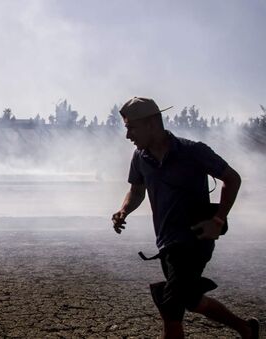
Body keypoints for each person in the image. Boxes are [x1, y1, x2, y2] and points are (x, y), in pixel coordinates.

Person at [111, 97, 259, 339]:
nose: (128, 135)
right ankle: (246, 329)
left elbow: (232, 179)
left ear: (151, 123)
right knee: (191, 300)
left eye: (131, 128)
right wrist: (123, 210)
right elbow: (137, 190)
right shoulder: (140, 158)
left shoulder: (193, 151)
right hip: (166, 243)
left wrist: (218, 220)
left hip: (195, 240)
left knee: (171, 307)